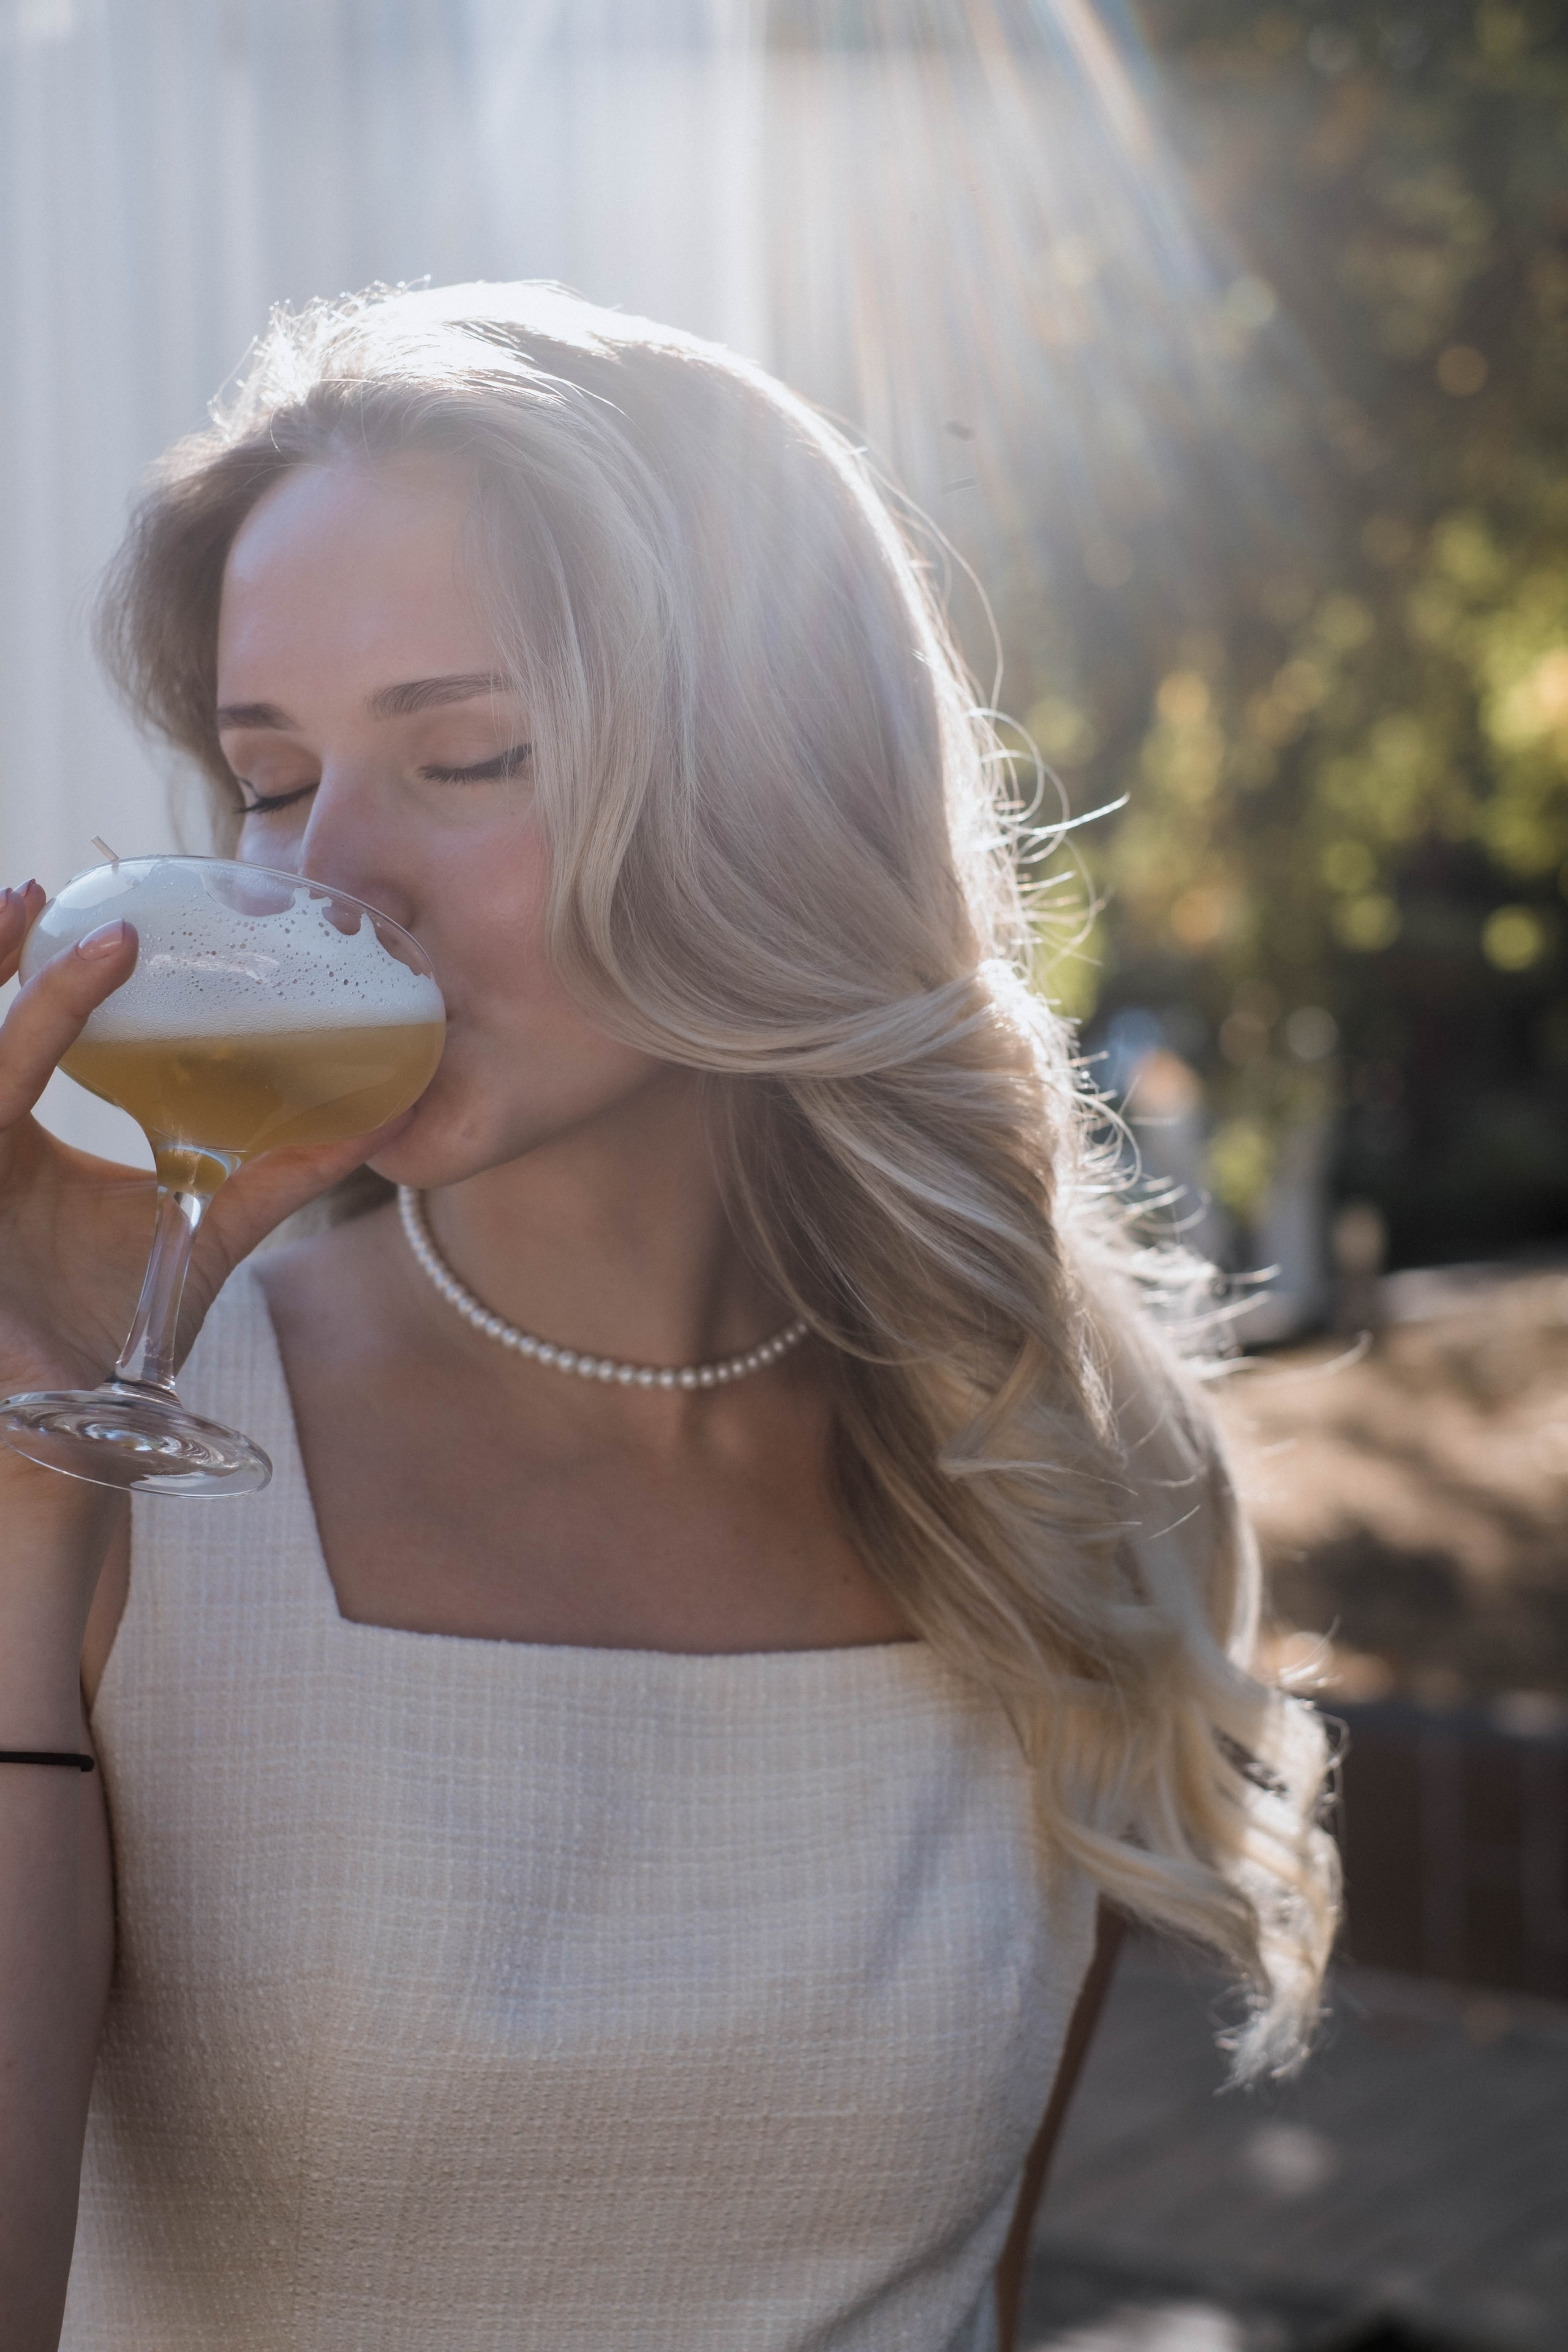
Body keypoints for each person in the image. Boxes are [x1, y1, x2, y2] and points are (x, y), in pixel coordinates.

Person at [0, 284, 1339, 2352]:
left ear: (781, 778)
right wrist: (24, 1513)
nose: (327, 883)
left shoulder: (1057, 1459)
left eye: (471, 754)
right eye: (270, 782)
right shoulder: (117, 1447)